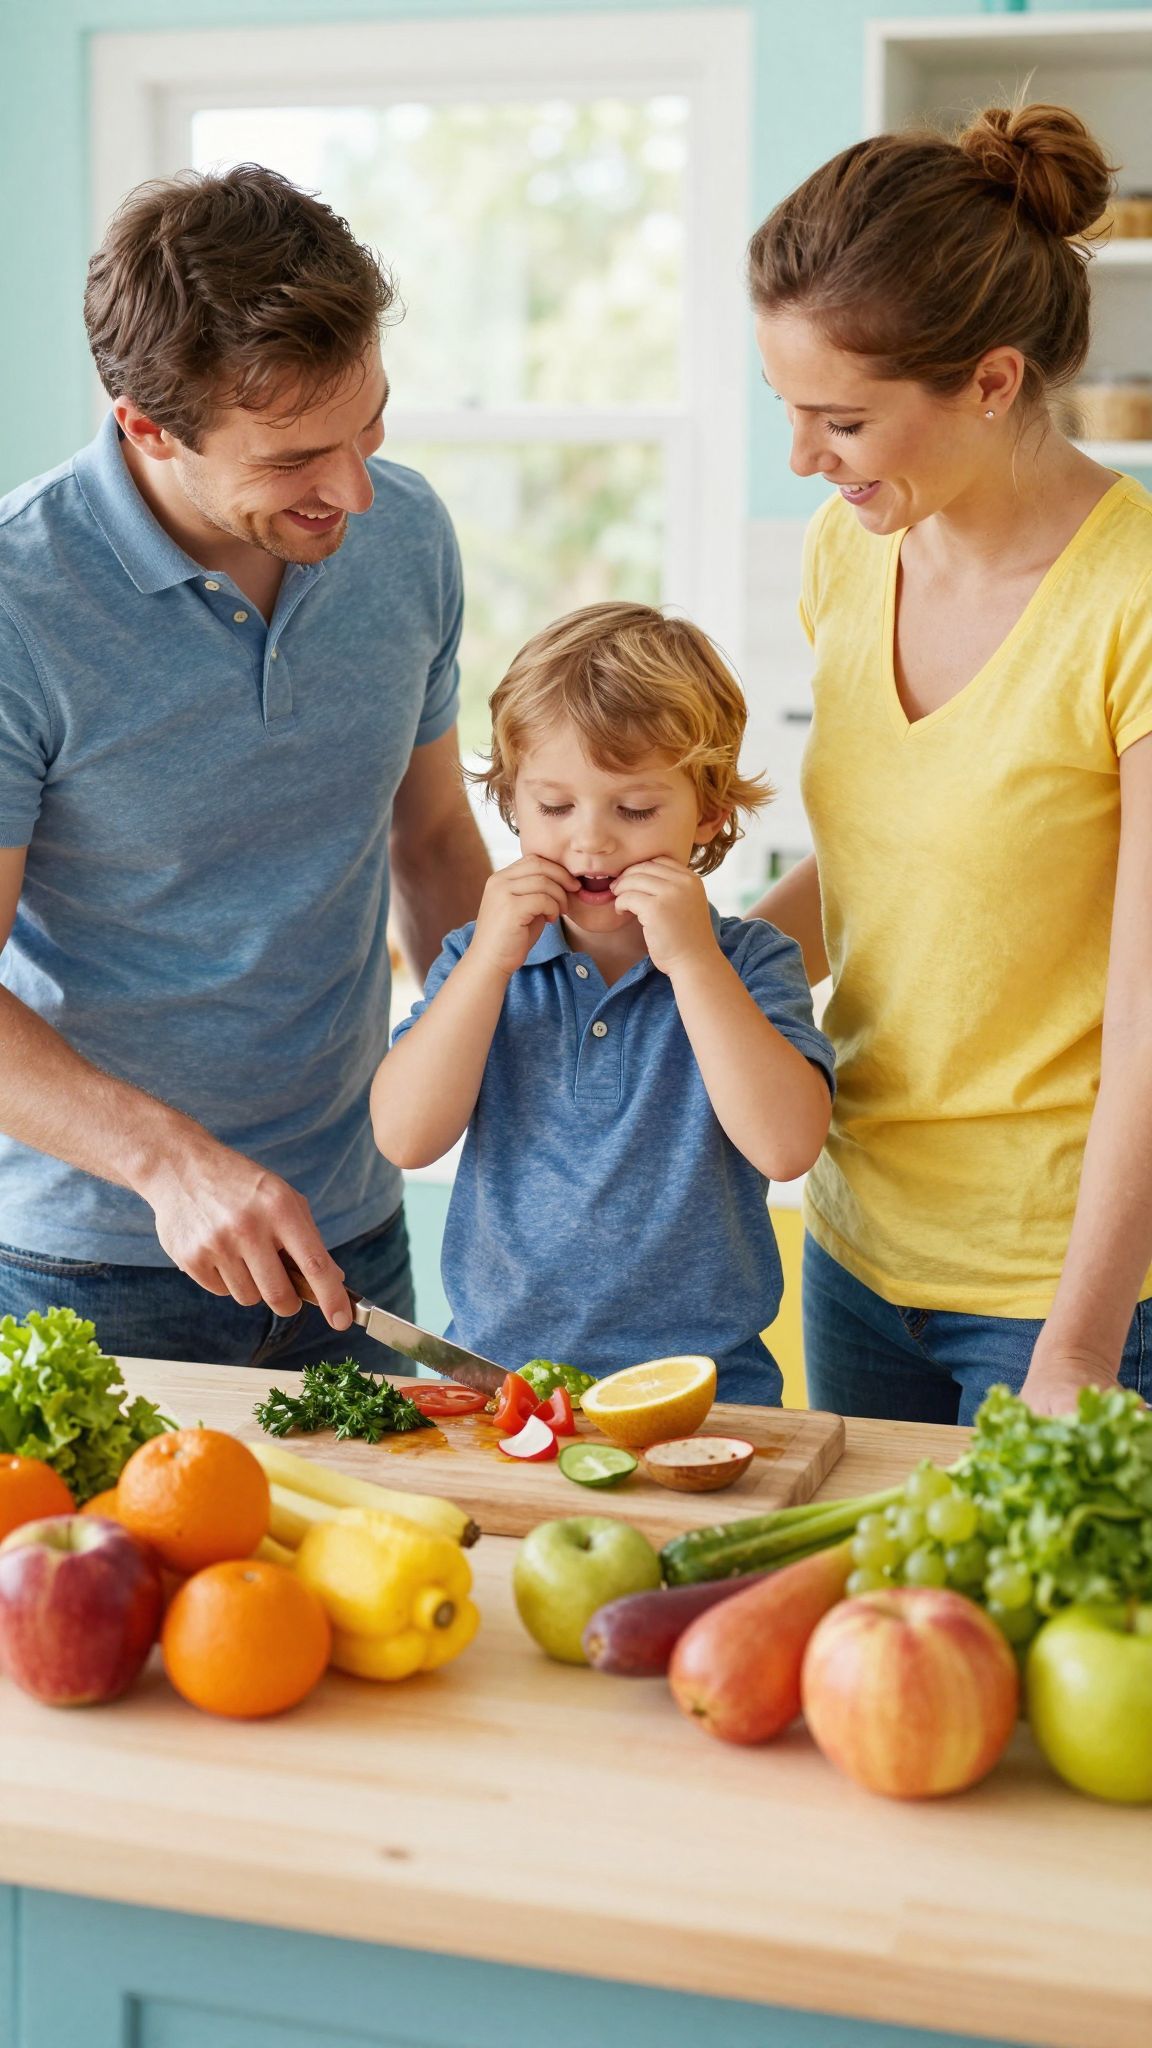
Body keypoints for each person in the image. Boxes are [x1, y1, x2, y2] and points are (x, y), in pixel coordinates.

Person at [0, 166, 490, 1367]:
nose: (355, 488)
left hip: (351, 1233)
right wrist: (169, 1162)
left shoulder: (405, 534)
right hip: (93, 1261)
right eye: (292, 459)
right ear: (146, 425)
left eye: (368, 424)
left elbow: (429, 841)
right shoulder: (21, 599)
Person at [746, 103, 1152, 1423]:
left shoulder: (1131, 601)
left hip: (1071, 1293)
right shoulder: (851, 553)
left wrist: (1079, 1352)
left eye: (841, 422)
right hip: (859, 1254)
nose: (805, 459)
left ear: (989, 380)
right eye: (788, 411)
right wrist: (688, 964)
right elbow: (888, 864)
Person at [370, 601, 834, 1405]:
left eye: (635, 810)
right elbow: (405, 1137)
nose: (590, 842)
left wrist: (690, 959)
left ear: (710, 813)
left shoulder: (751, 964)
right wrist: (486, 962)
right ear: (513, 801)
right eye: (554, 808)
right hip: (499, 1389)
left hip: (706, 1394)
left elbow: (788, 1147)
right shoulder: (480, 961)